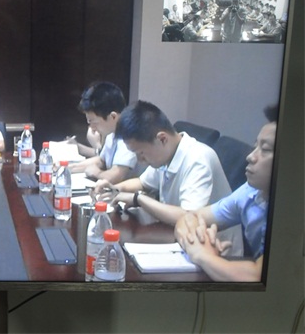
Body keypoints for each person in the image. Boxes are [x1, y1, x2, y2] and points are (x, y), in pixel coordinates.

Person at [174, 105, 277, 281]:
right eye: (255, 147)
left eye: (265, 149)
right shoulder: (250, 191)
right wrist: (197, 237)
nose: (251, 157)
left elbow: (258, 276)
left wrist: (202, 254)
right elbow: (190, 217)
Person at [94, 100, 230, 225]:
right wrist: (114, 189)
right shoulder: (166, 154)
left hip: (215, 241)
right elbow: (142, 183)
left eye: (141, 153)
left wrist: (138, 199)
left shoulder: (198, 159)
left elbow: (189, 217)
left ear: (162, 139)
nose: (140, 160)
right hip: (178, 234)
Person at [68, 82, 140, 185]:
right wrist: (69, 168)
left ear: (113, 116)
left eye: (94, 122)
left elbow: (115, 176)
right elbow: (101, 161)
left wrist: (97, 173)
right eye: (89, 122)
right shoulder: (111, 134)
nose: (92, 127)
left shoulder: (129, 137)